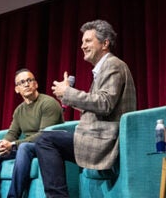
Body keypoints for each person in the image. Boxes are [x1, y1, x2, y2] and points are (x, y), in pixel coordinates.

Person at [35, 20, 137, 198]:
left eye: (88, 41)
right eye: (82, 42)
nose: (82, 46)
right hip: (94, 135)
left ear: (105, 43)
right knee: (44, 140)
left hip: (104, 140)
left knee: (46, 140)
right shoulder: (104, 68)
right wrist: (66, 96)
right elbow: (98, 105)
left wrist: (69, 93)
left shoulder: (113, 65)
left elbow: (104, 104)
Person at [0, 69, 64, 198]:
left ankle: (13, 196)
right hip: (28, 146)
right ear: (17, 89)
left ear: (36, 84)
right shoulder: (19, 110)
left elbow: (44, 135)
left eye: (29, 80)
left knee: (24, 148)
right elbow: (12, 133)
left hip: (46, 146)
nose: (26, 84)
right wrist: (4, 143)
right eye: (21, 82)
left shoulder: (48, 103)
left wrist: (13, 144)